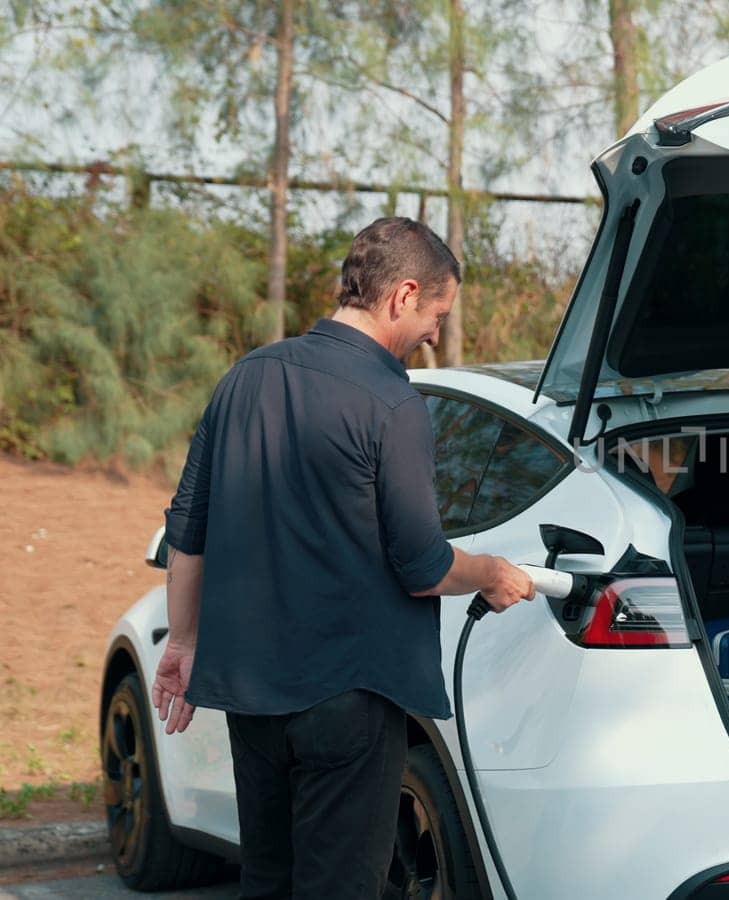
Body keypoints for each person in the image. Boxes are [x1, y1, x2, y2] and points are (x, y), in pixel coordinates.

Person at [150, 217, 537, 898]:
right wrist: (490, 572)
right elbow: (423, 566)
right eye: (436, 314)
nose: (434, 336)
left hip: (252, 696)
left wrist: (182, 640)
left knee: (267, 879)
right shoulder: (392, 403)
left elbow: (189, 532)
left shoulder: (244, 380)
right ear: (403, 295)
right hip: (346, 699)